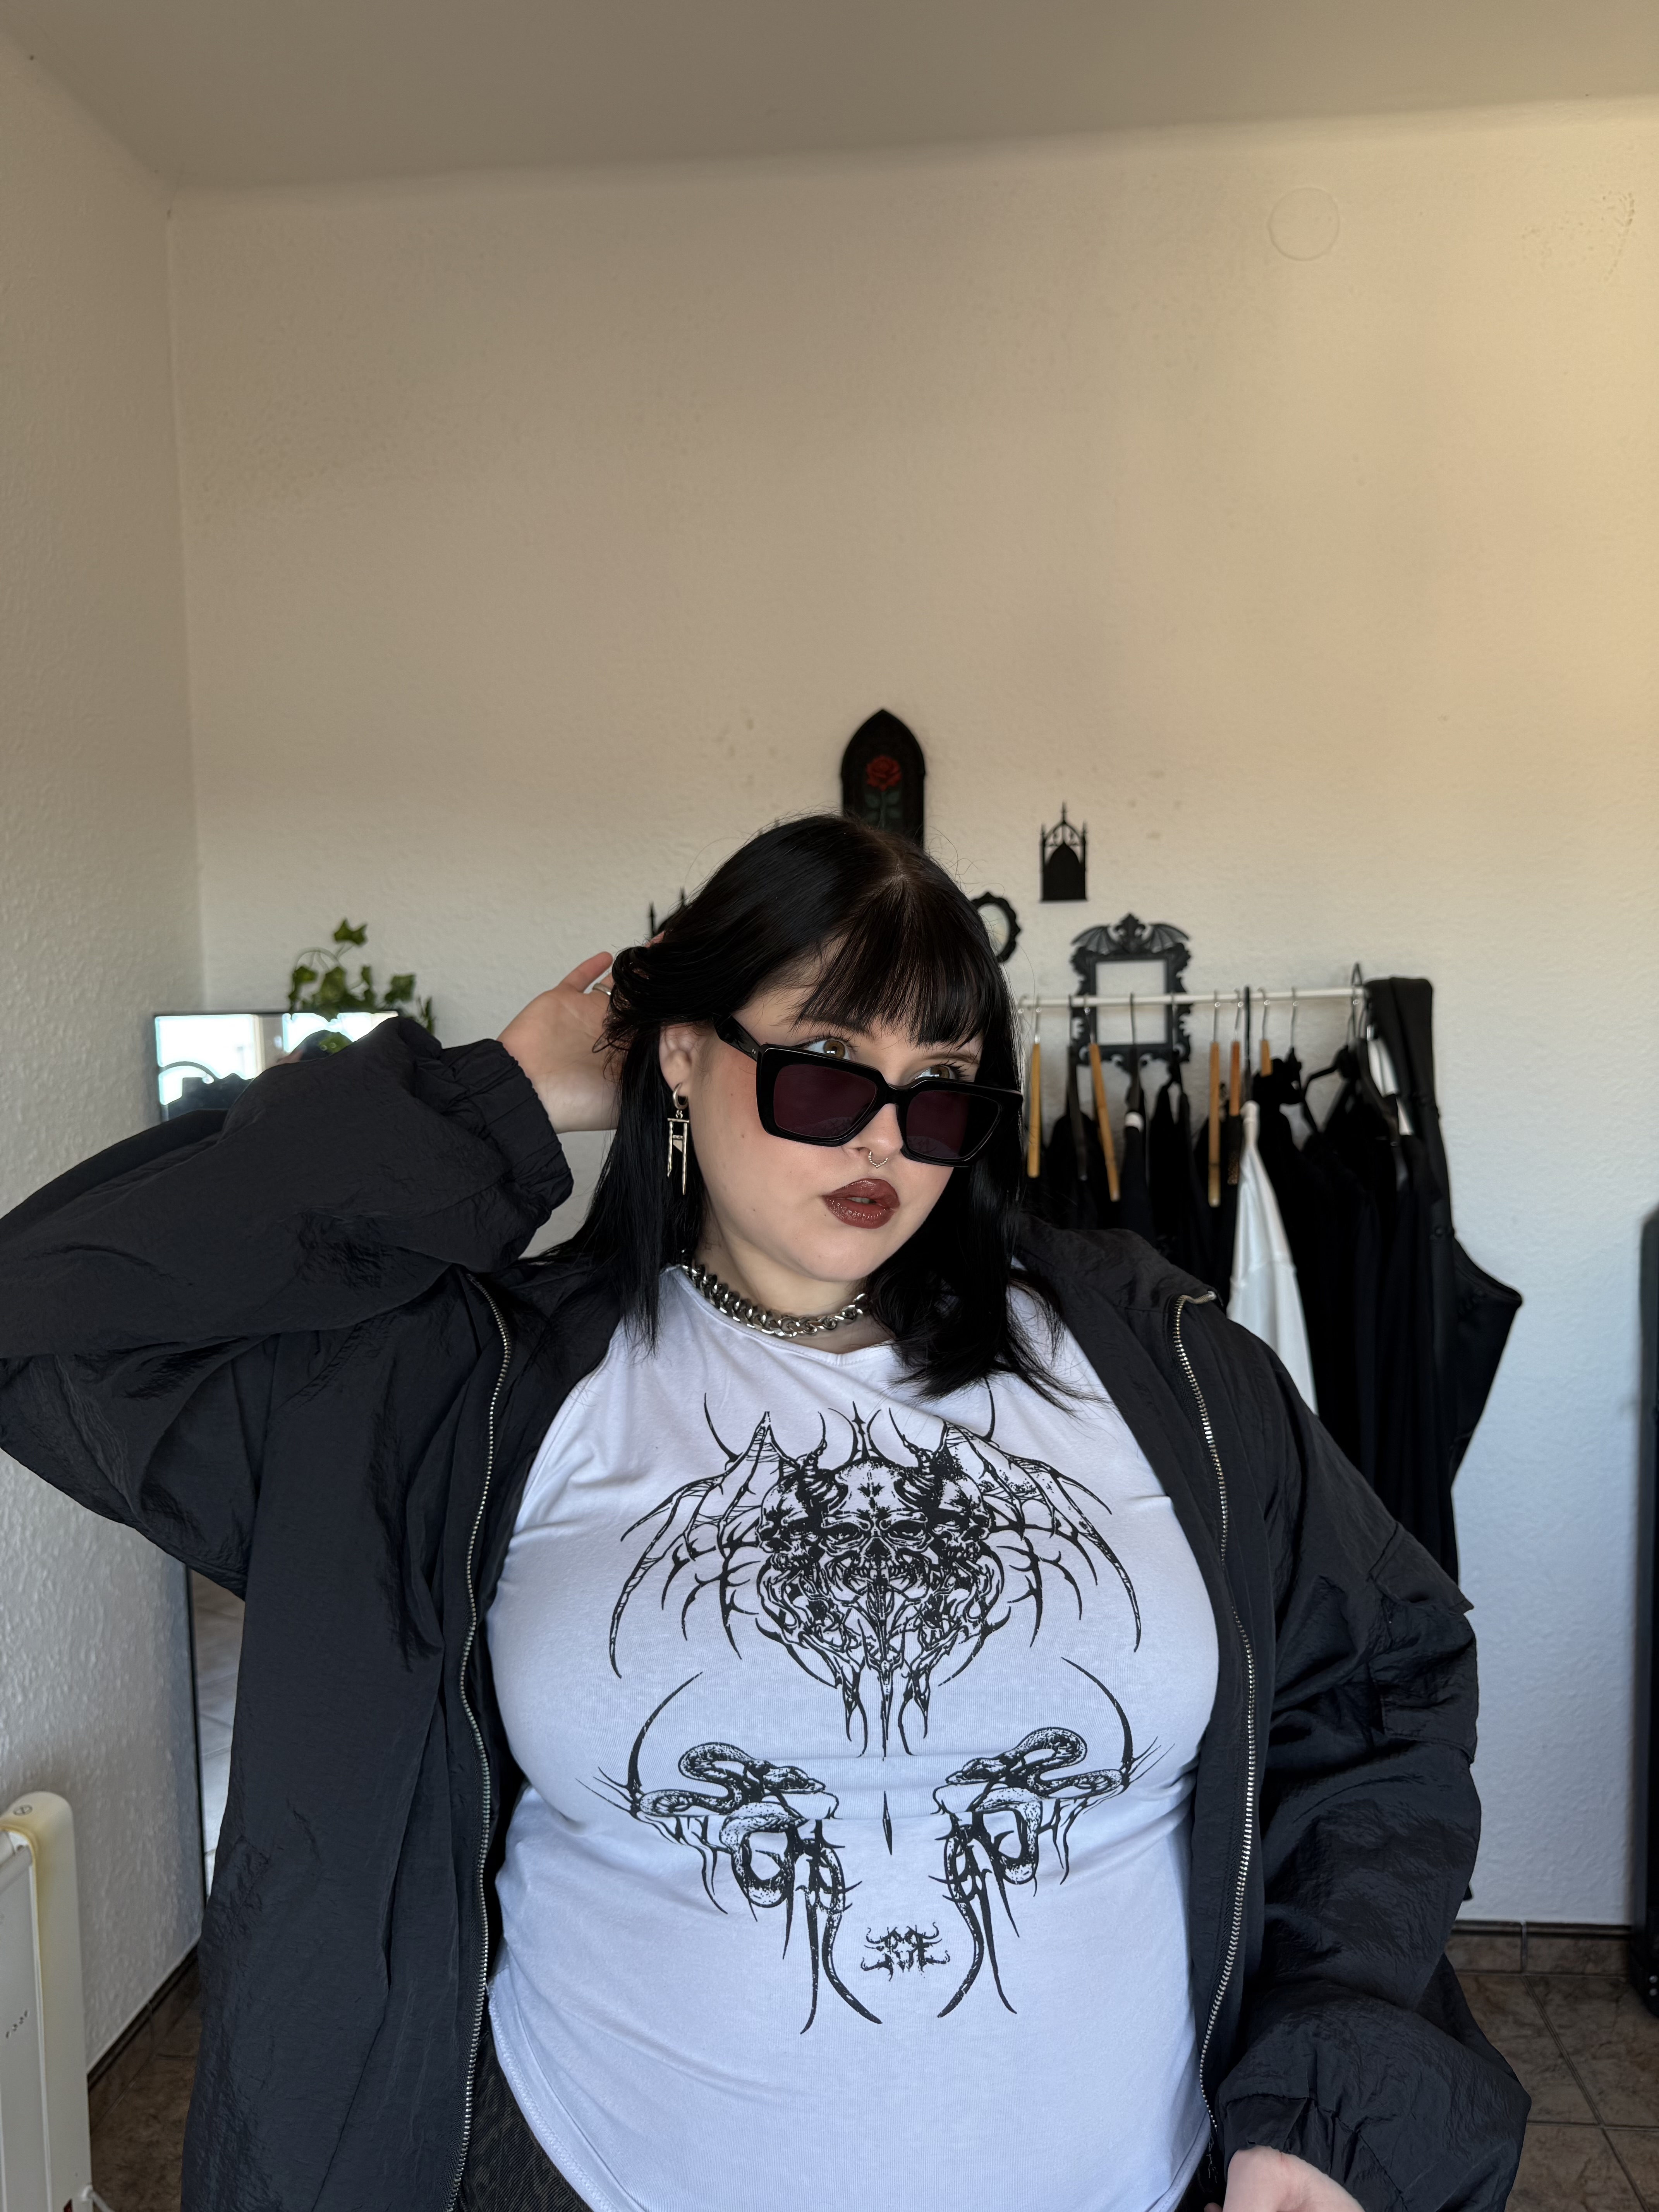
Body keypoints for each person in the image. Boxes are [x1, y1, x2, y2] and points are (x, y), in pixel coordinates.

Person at [0, 814, 1525, 2212]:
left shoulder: (1162, 1371)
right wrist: (496, 1104)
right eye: (824, 1068)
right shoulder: (478, 1396)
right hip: (581, 2171)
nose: (882, 1138)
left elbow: (1377, 1689)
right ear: (678, 1055)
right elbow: (47, 1325)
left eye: (940, 1091)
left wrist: (1318, 2094)